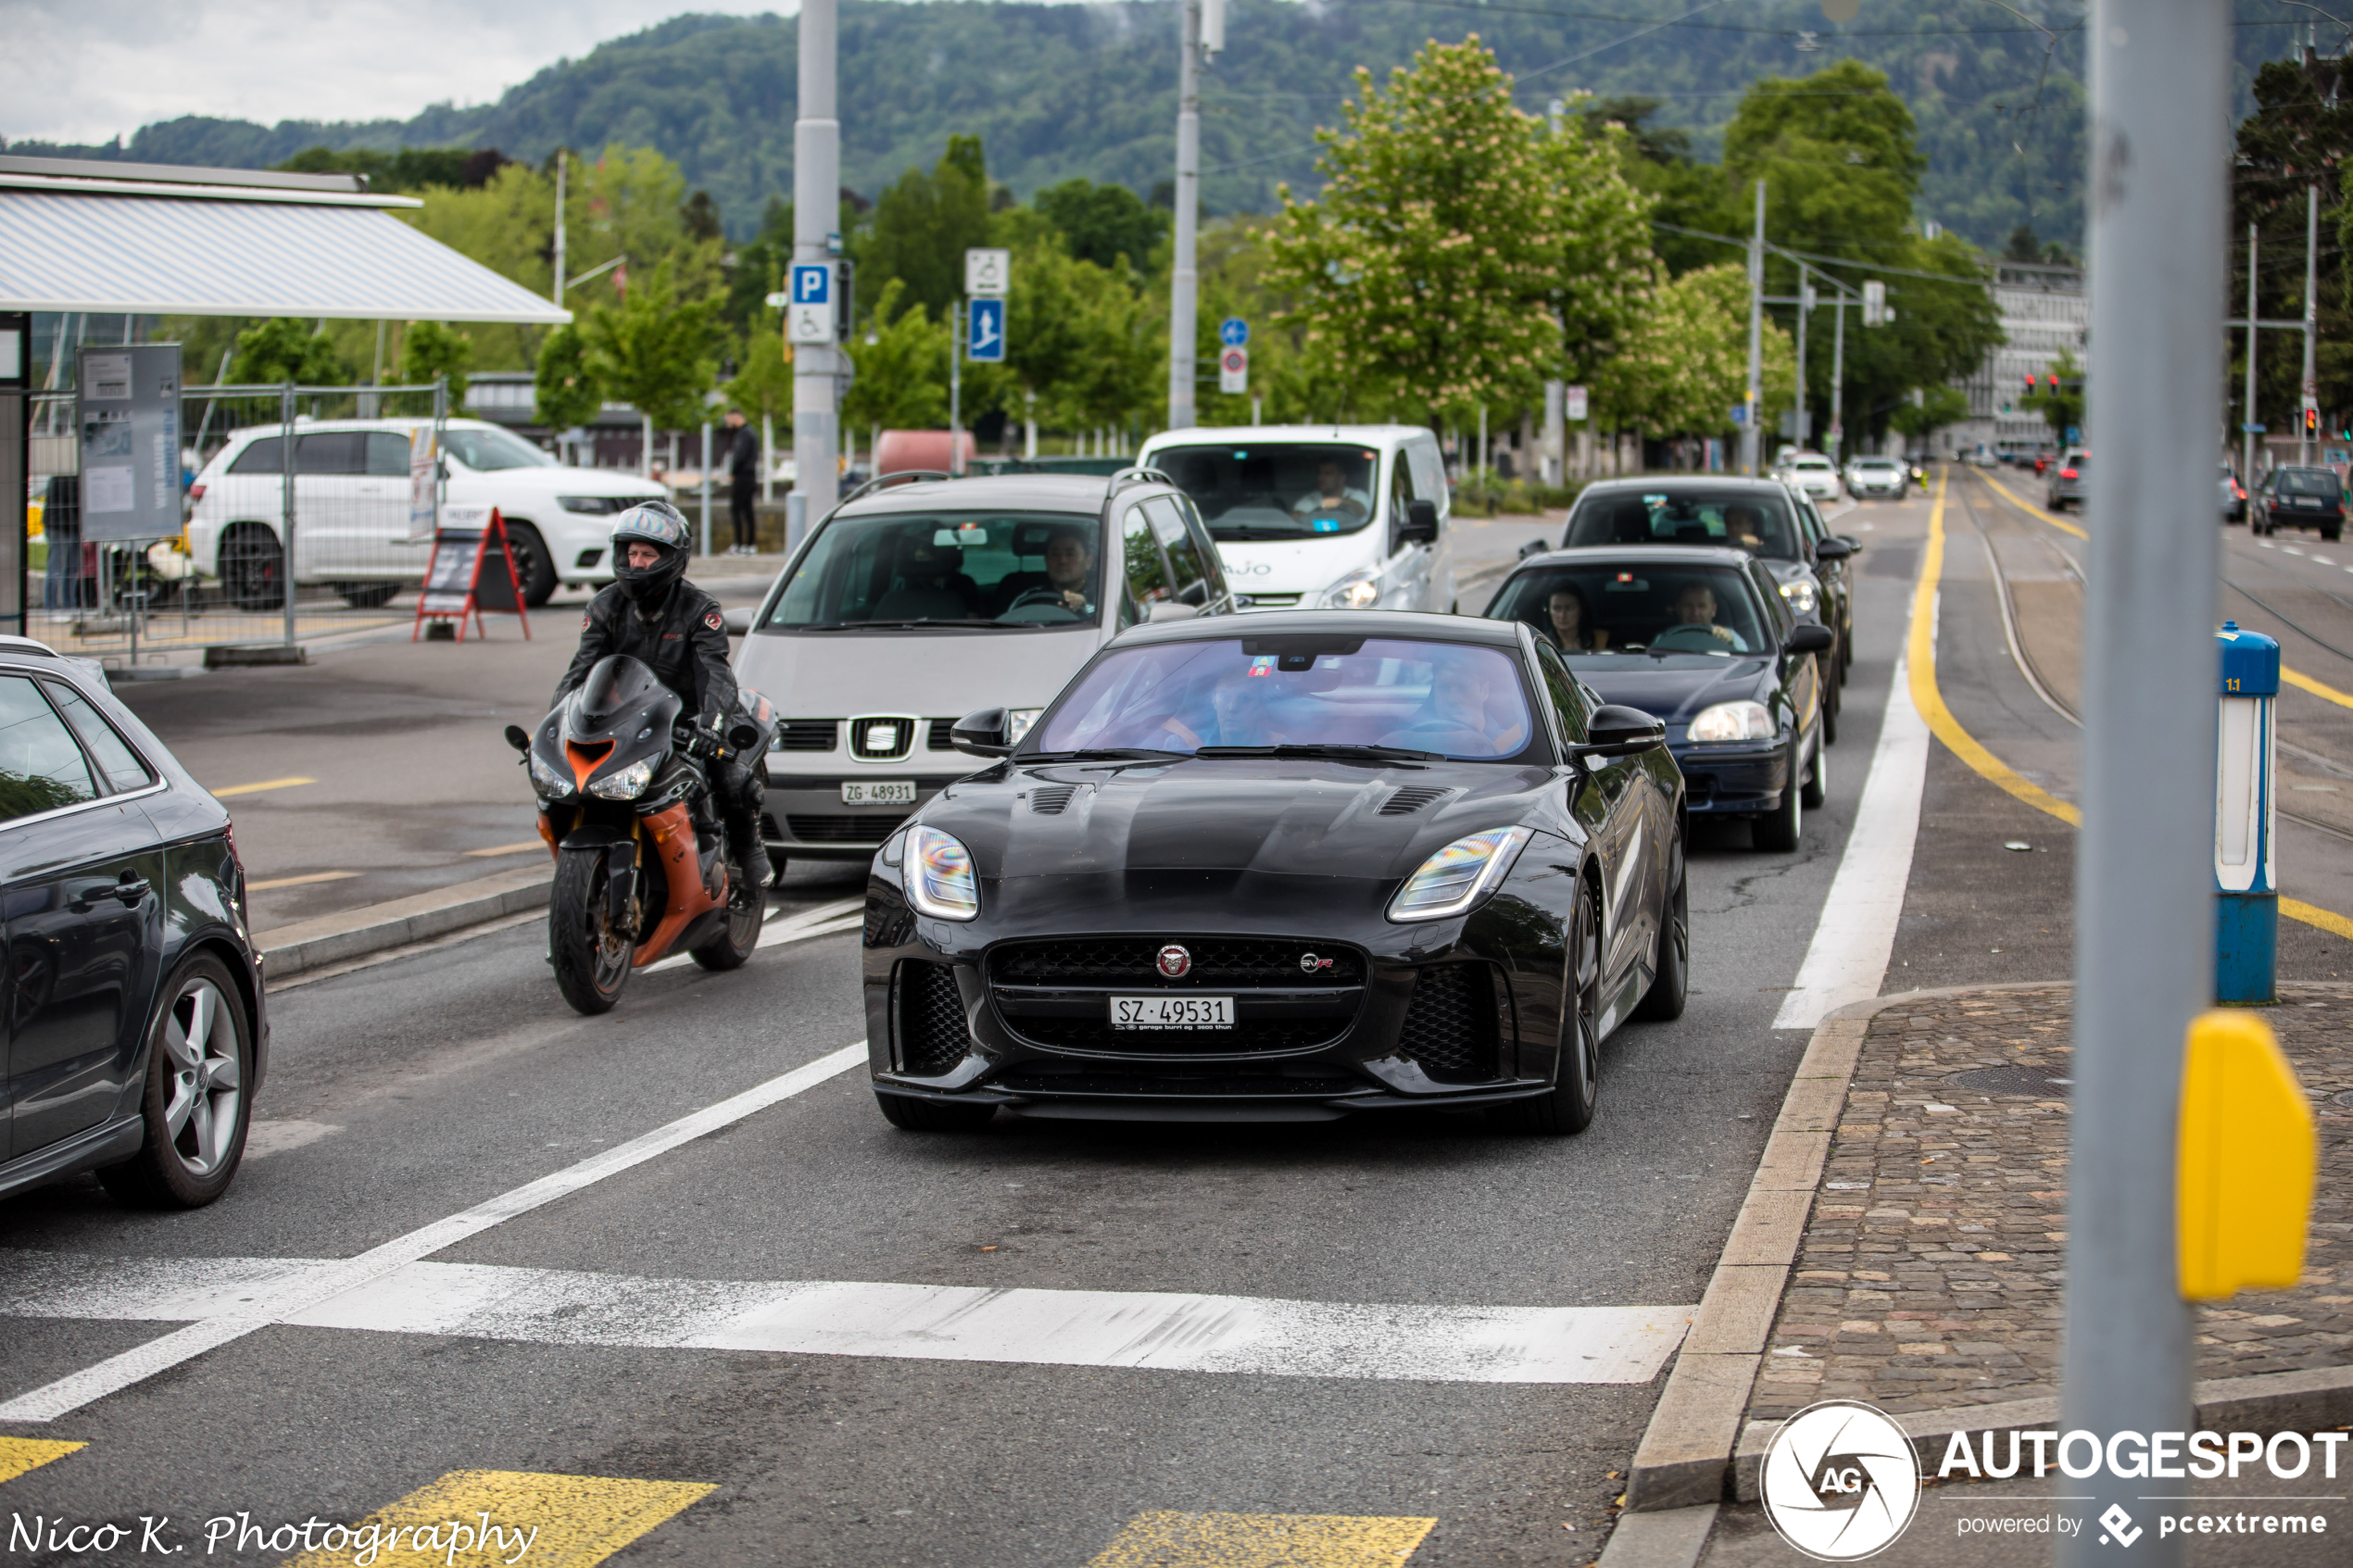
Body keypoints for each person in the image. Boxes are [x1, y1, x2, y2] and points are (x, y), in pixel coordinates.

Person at [555, 501, 767, 903]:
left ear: (671, 558)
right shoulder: (604, 606)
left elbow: (715, 672)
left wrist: (711, 724)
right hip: (626, 720)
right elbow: (580, 672)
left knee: (731, 775)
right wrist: (558, 721)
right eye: (631, 553)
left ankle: (749, 851)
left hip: (689, 717)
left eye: (648, 554)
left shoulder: (699, 609)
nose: (636, 563)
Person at [1290, 458, 1372, 527]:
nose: (1321, 478)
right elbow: (1297, 518)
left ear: (1341, 478)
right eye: (1320, 473)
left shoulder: (1357, 495)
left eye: (1327, 474)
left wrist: (1338, 502)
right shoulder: (1311, 499)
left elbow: (1361, 511)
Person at [724, 409, 760, 556]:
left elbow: (740, 456)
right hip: (750, 476)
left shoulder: (743, 434)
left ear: (735, 417)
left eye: (728, 420)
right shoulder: (751, 432)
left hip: (742, 477)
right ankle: (750, 544)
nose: (727, 424)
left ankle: (739, 544)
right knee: (748, 510)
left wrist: (732, 472)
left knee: (736, 509)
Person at [1667, 580, 1740, 646]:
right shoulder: (1667, 637)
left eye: (1702, 606)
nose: (1695, 612)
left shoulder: (1730, 637)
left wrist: (1731, 645)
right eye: (1688, 606)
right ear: (1678, 608)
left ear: (1713, 610)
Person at [1042, 528, 1095, 612]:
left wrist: (1084, 608)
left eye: (1070, 554)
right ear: (1046, 561)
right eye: (1055, 554)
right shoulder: (1032, 598)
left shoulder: (1102, 596)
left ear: (1088, 562)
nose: (1062, 561)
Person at [1544, 584, 1608, 651]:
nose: (1562, 615)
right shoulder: (1542, 644)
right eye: (1557, 608)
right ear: (1549, 611)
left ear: (1581, 610)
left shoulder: (1600, 639)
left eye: (1569, 608)